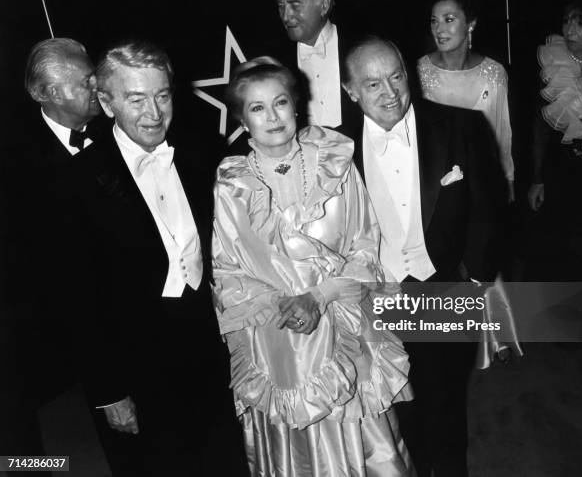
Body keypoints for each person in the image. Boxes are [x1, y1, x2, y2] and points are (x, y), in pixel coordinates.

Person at [213, 57, 415, 476]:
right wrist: (282, 306)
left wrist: (318, 297)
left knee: (374, 450)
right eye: (257, 108)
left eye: (281, 102)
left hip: (344, 324)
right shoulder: (232, 182)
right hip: (279, 342)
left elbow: (364, 244)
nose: (273, 116)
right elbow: (228, 269)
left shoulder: (335, 161)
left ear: (296, 106)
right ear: (241, 119)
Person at [67, 41, 246, 476]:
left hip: (209, 343)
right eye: (135, 98)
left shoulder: (201, 149)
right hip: (136, 363)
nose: (153, 113)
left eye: (161, 95)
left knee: (225, 461)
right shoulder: (78, 179)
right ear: (106, 103)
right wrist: (108, 391)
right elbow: (76, 298)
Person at [342, 36, 505, 477]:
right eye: (372, 84)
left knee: (447, 411)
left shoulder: (461, 126)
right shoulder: (334, 151)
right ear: (350, 90)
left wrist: (476, 280)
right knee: (399, 418)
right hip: (376, 300)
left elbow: (488, 208)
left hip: (444, 288)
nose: (390, 93)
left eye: (396, 77)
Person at [1, 37, 101, 459]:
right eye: (85, 83)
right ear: (45, 94)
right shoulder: (16, 156)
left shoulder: (115, 129)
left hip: (105, 304)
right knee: (16, 429)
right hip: (33, 315)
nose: (98, 89)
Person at [526, 0, 582, 281]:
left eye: (581, 23)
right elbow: (539, 126)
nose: (570, 30)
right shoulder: (552, 61)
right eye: (566, 22)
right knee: (559, 254)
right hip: (560, 172)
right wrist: (536, 179)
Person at [418, 0, 514, 201]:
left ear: (471, 24)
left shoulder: (494, 72)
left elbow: (502, 133)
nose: (439, 29)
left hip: (483, 183)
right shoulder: (418, 72)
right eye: (434, 21)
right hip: (433, 188)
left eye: (448, 19)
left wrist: (508, 180)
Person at [275, 0, 361, 135]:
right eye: (281, 6)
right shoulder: (276, 61)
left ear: (324, 5)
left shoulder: (361, 47)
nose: (286, 16)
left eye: (295, 5)